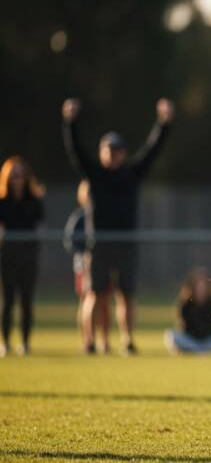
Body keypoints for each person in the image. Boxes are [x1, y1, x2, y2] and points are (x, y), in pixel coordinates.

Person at [62, 97, 174, 355]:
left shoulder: (131, 175)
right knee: (95, 294)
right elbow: (76, 151)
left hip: (126, 243)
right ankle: (91, 342)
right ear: (102, 153)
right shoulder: (96, 175)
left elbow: (152, 149)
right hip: (98, 244)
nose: (113, 154)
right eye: (108, 150)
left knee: (126, 295)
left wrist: (164, 123)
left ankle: (127, 340)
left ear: (123, 152)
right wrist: (70, 123)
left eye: (117, 150)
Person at [0, 156, 45, 357]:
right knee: (8, 299)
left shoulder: (34, 201)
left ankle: (25, 342)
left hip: (28, 256)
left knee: (26, 300)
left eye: (21, 175)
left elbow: (40, 225)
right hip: (7, 255)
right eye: (14, 175)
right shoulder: (2, 202)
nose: (18, 179)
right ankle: (5, 342)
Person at [164, 267, 211, 354]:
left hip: (210, 340)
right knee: (171, 335)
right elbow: (183, 327)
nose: (201, 287)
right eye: (198, 284)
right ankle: (202, 350)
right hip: (192, 340)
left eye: (204, 284)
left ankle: (199, 350)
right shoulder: (185, 303)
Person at [63, 180, 98, 353]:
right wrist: (84, 254)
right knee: (85, 300)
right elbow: (70, 241)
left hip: (97, 264)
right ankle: (87, 339)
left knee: (97, 300)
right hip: (83, 265)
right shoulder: (80, 217)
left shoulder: (100, 216)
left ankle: (96, 338)